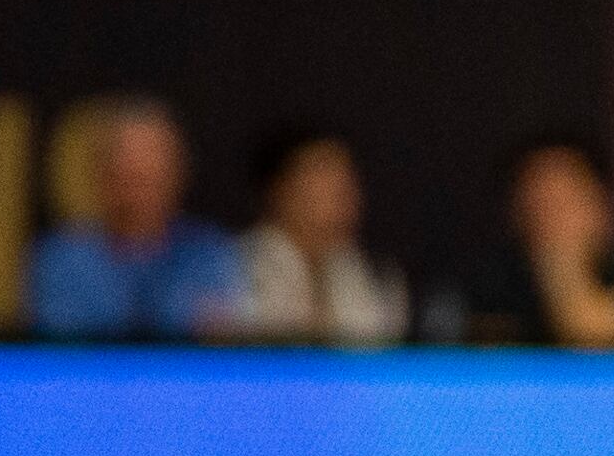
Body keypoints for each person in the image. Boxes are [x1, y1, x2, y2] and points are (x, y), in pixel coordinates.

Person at [28, 96, 244, 341]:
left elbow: (215, 340)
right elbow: (62, 343)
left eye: (148, 180)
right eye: (126, 178)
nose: (136, 196)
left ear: (177, 174)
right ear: (100, 176)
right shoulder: (63, 258)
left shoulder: (207, 253)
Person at [463, 133, 614, 349]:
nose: (552, 220)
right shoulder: (492, 285)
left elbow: (595, 334)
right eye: (539, 205)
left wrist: (562, 266)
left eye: (565, 202)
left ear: (603, 207)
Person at [232, 125, 406, 347]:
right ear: (278, 188)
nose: (341, 191)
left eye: (346, 178)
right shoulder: (233, 271)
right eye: (322, 173)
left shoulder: (376, 274)